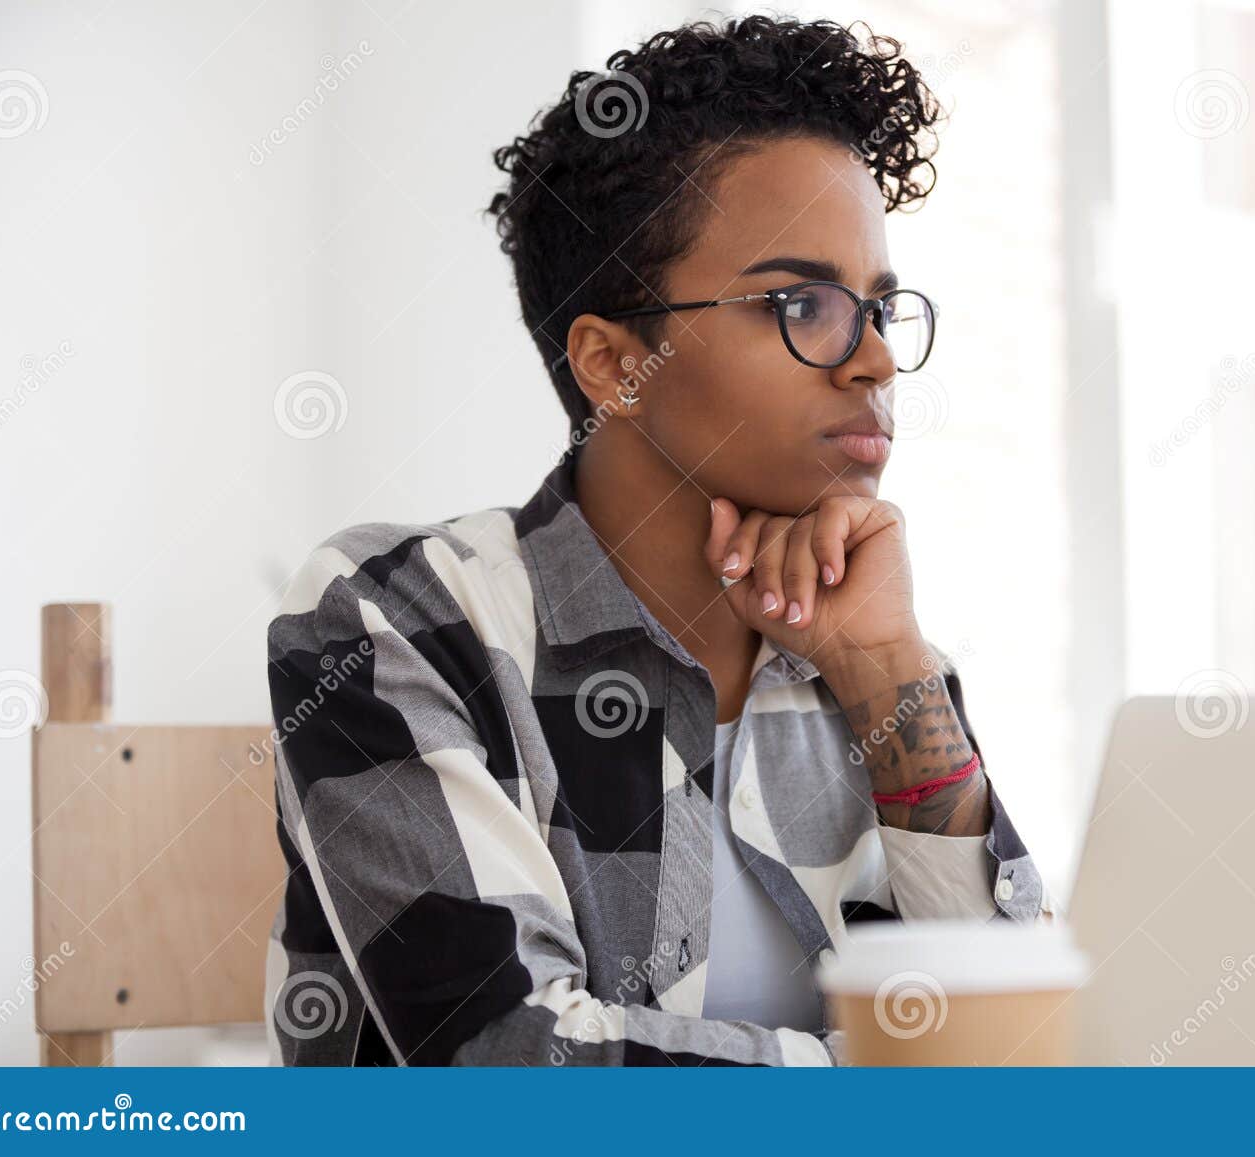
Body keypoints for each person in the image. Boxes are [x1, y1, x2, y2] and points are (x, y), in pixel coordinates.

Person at [264, 13, 1045, 1067]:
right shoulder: (401, 619)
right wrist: (900, 1082)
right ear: (608, 363)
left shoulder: (884, 662)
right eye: (803, 303)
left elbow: (1020, 1041)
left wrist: (885, 673)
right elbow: (511, 1065)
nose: (874, 362)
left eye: (879, 305)